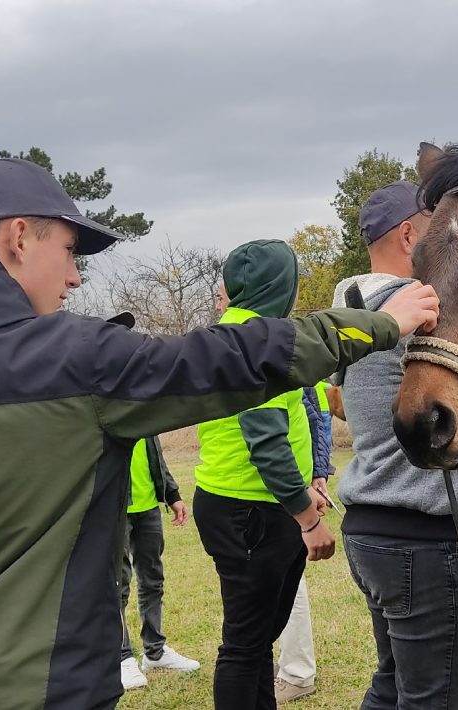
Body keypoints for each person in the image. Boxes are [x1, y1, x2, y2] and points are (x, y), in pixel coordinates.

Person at [0, 157, 440, 710]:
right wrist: (383, 322)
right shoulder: (76, 362)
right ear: (18, 237)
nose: (76, 274)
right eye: (68, 248)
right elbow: (232, 358)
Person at [334, 180, 458, 709]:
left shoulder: (352, 309)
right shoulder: (421, 309)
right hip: (430, 540)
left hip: (371, 530)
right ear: (409, 234)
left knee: (393, 686)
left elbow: (341, 399)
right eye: (437, 229)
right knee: (438, 699)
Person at [194, 240, 339, 710]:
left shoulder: (228, 331)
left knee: (255, 641)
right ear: (284, 286)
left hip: (234, 503)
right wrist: (308, 520)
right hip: (251, 508)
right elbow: (267, 442)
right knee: (242, 647)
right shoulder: (262, 342)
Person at [119, 435, 200, 691]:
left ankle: (154, 652)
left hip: (147, 507)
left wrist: (172, 493)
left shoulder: (143, 404)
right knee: (117, 584)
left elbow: (154, 453)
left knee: (153, 580)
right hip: (113, 508)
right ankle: (120, 657)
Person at [274, 380, 334, 704]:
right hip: (281, 483)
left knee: (288, 580)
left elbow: (313, 414)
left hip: (286, 486)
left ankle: (297, 673)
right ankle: (286, 664)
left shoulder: (286, 343)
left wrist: (317, 474)